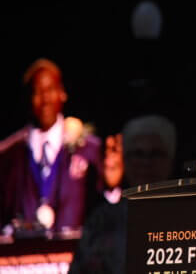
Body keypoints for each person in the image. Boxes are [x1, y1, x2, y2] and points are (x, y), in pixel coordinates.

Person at [0, 59, 122, 234]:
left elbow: (107, 215)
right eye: (37, 92)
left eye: (50, 89)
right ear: (27, 99)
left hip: (78, 257)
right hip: (24, 258)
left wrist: (112, 189)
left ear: (62, 93)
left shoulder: (90, 149)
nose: (45, 100)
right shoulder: (9, 155)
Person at [69, 114, 177, 274]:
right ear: (125, 160)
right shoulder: (101, 221)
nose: (146, 162)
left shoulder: (184, 216)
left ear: (170, 159)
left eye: (155, 153)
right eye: (138, 153)